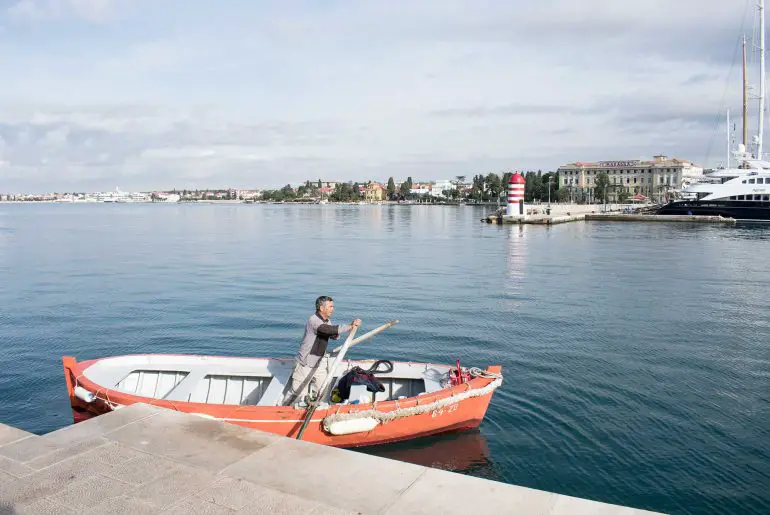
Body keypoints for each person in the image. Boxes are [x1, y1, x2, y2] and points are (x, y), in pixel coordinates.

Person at [282, 296, 361, 406]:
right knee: (297, 393)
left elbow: (334, 335)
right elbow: (327, 329)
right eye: (330, 306)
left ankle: (314, 407)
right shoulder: (313, 320)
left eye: (333, 306)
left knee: (322, 388)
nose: (333, 309)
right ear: (321, 308)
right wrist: (349, 326)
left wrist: (347, 330)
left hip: (319, 362)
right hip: (305, 363)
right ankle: (284, 411)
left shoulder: (327, 321)